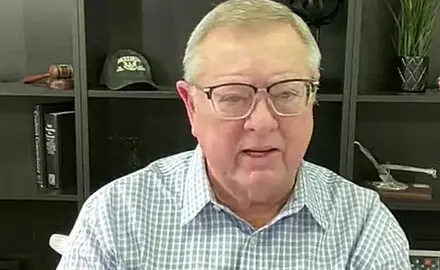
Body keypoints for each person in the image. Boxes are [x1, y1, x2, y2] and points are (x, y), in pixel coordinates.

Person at [56, 0, 411, 269]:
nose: (262, 122)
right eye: (232, 97)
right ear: (191, 106)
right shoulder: (116, 217)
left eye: (286, 92)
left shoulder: (363, 227)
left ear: (311, 99)